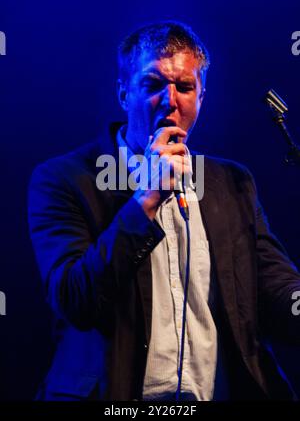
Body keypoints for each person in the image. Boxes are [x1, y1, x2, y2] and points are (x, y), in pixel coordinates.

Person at [28, 21, 300, 401]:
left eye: (185, 87)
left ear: (201, 97)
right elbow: (76, 299)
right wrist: (148, 197)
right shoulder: (65, 180)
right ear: (124, 93)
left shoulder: (231, 183)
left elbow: (273, 289)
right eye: (153, 85)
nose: (170, 100)